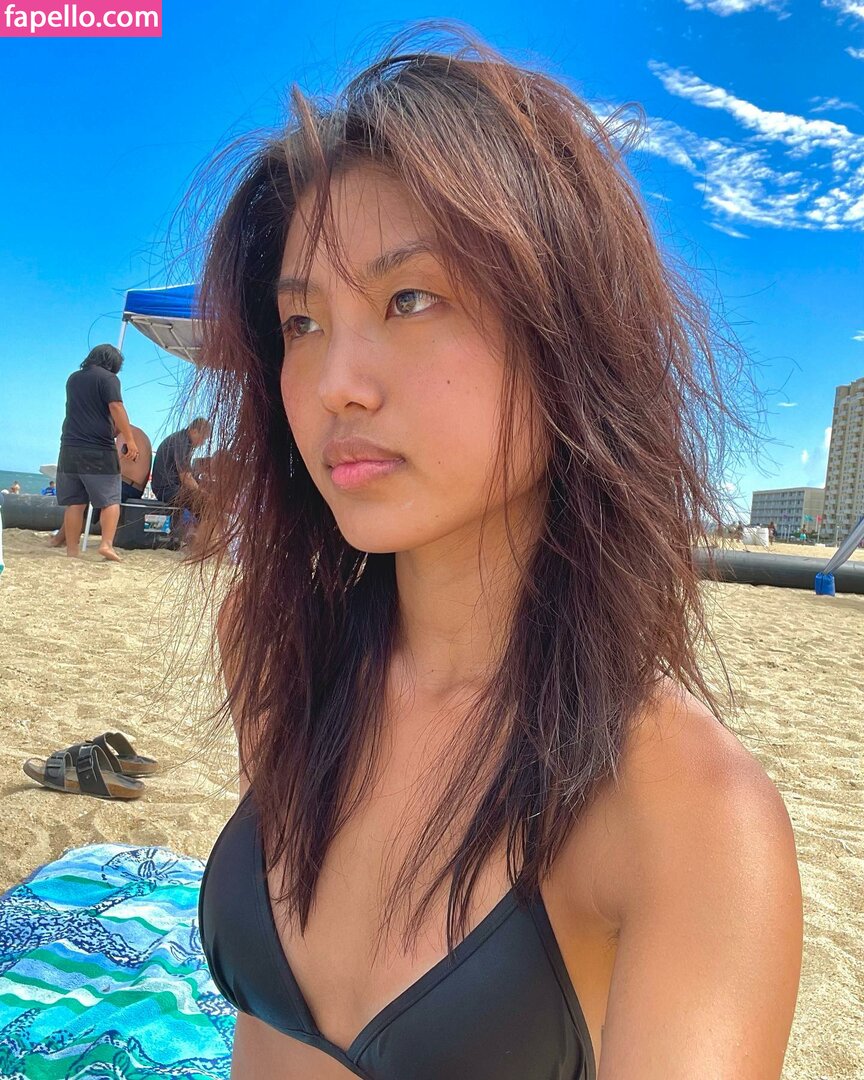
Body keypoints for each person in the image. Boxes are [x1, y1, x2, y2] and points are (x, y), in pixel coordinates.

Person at [191, 25, 802, 1080]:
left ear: (569, 336)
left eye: (409, 299)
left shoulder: (689, 814)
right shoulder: (275, 648)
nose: (336, 383)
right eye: (301, 322)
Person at [55, 344, 138, 561]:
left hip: (69, 447)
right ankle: (106, 544)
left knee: (75, 503)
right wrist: (129, 439)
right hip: (97, 448)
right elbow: (116, 407)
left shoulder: (73, 379)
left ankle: (72, 551)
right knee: (110, 499)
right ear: (113, 363)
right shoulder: (109, 379)